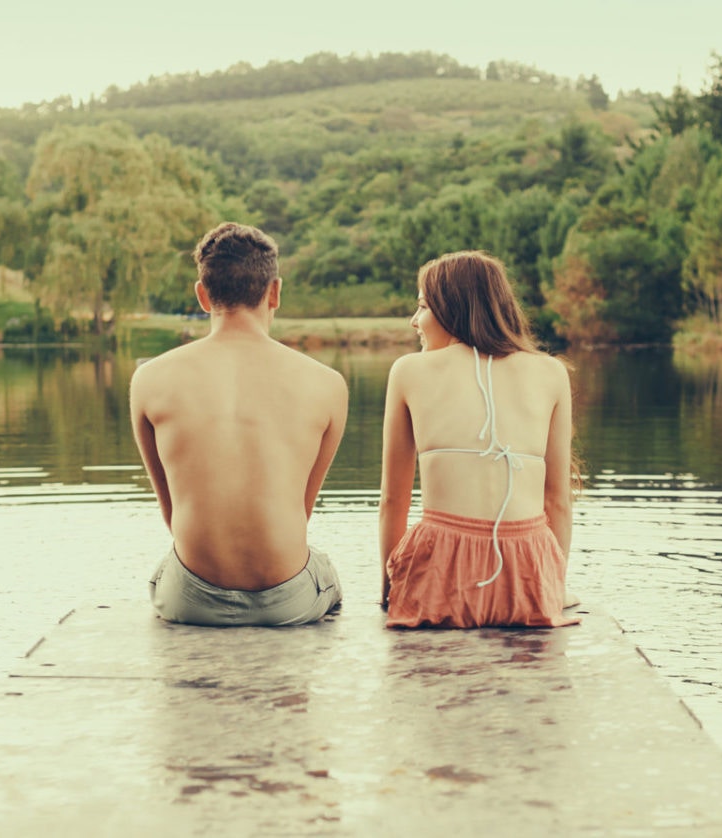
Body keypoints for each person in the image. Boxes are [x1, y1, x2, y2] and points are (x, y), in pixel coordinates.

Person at [130, 222, 348, 626]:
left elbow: (172, 513)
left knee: (165, 569)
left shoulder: (149, 379)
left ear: (201, 295)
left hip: (190, 601)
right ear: (275, 291)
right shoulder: (327, 384)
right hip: (288, 600)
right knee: (324, 570)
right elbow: (300, 513)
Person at [379, 251, 580, 629]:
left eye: (422, 307)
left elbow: (393, 500)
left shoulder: (408, 370)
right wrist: (552, 588)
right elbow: (557, 502)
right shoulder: (552, 373)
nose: (414, 321)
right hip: (526, 578)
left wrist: (389, 591)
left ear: (449, 308)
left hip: (440, 576)